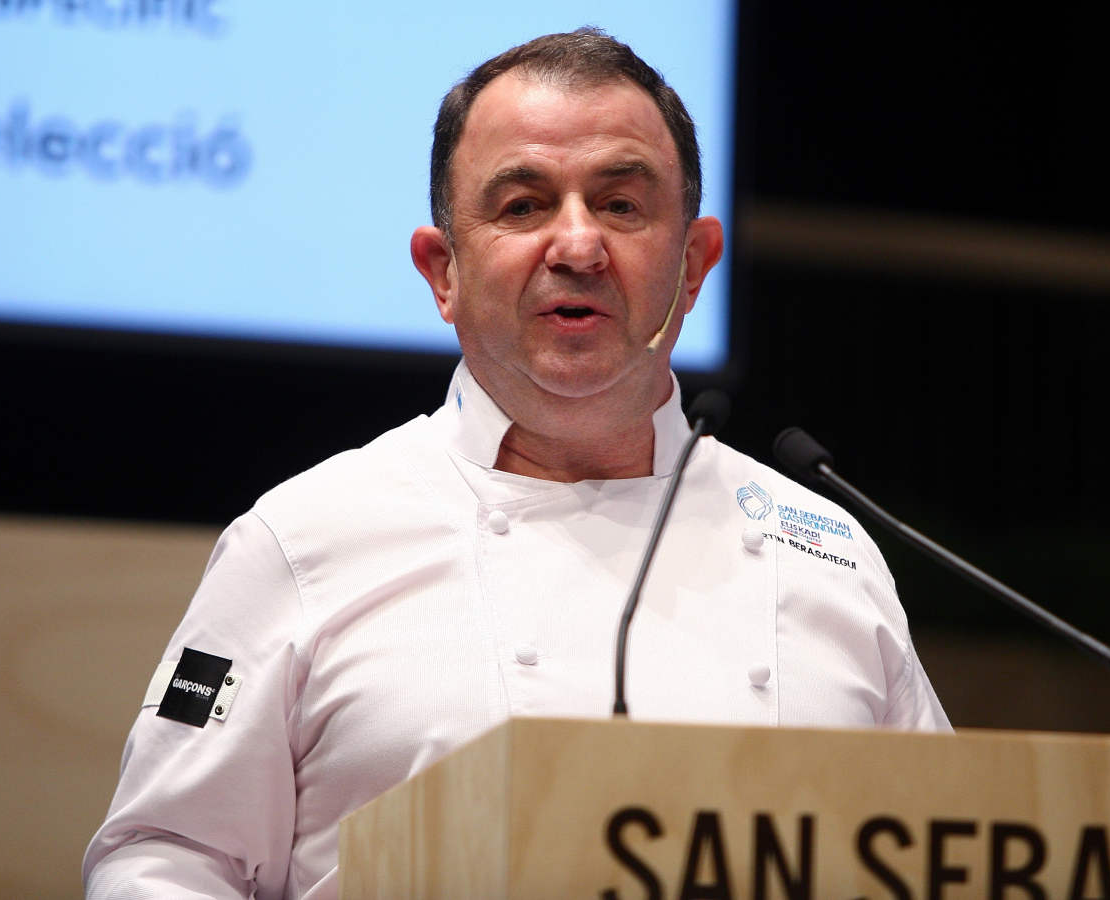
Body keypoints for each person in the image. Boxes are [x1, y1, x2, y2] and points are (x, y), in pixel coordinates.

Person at [83, 28, 950, 899]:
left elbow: (944, 851)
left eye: (620, 205)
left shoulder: (825, 554)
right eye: (524, 206)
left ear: (692, 266)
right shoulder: (304, 540)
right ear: (443, 271)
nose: (577, 246)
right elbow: (163, 858)